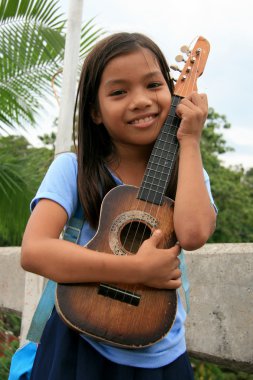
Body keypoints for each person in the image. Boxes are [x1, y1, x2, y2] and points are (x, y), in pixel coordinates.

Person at [21, 32, 217, 379]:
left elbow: (194, 234)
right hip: (78, 341)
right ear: (95, 112)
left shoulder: (188, 171)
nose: (140, 100)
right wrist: (135, 271)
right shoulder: (73, 169)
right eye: (119, 92)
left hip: (162, 352)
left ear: (173, 91)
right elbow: (34, 251)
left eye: (153, 84)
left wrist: (190, 141)